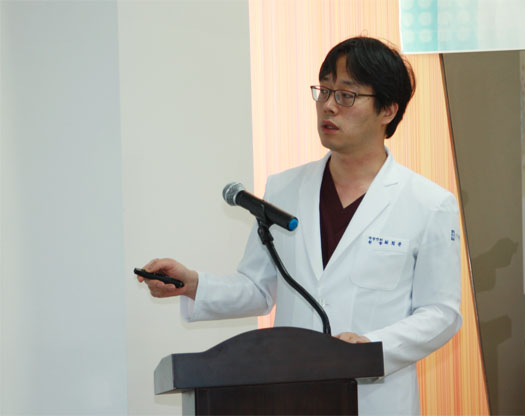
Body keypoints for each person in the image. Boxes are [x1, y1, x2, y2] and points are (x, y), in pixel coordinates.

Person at [138, 36, 462, 415]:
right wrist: (193, 284)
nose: (328, 105)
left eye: (346, 95)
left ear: (388, 110)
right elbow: (259, 287)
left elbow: (441, 312)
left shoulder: (428, 203)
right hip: (292, 397)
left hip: (376, 400)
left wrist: (372, 347)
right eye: (323, 91)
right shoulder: (284, 188)